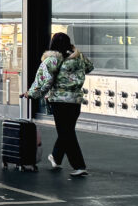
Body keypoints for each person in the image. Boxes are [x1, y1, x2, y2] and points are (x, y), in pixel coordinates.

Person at [23, 32, 94, 177]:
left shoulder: (52, 59)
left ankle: (79, 166)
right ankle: (56, 157)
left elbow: (43, 80)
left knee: (66, 132)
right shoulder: (79, 57)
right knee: (67, 131)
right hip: (75, 100)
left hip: (59, 101)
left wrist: (31, 93)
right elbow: (89, 67)